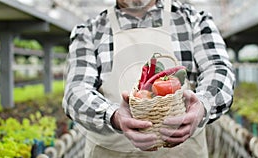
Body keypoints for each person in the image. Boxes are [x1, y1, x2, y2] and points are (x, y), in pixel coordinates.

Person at [62, 0, 235, 157]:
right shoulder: (89, 31)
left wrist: (202, 106)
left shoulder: (193, 20)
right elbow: (75, 92)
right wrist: (114, 116)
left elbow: (219, 70)